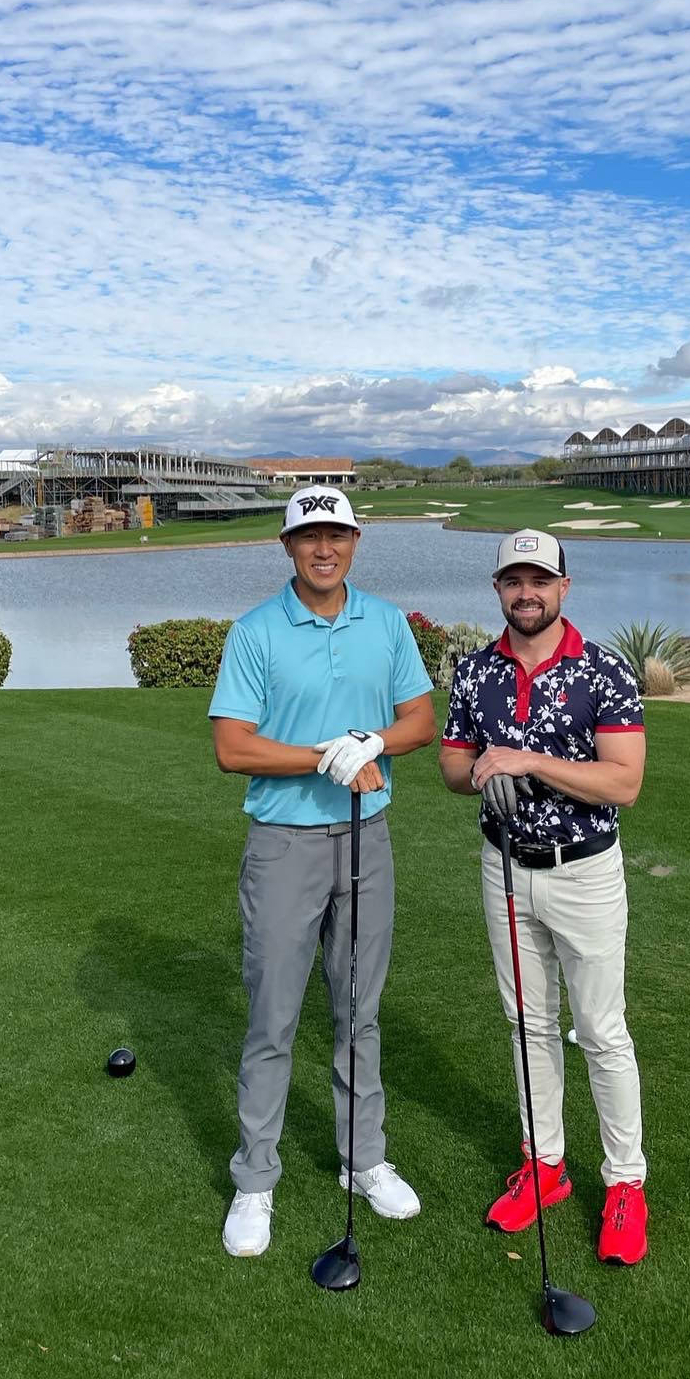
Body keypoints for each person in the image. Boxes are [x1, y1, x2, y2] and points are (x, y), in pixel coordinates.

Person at [209, 485, 436, 1258]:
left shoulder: (388, 622)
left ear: (355, 540)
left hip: (365, 837)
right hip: (284, 844)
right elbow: (233, 747)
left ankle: (362, 1158)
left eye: (336, 534)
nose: (324, 548)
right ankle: (255, 1180)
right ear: (288, 547)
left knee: (359, 1010)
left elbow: (420, 721)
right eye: (309, 537)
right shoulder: (256, 632)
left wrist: (371, 742)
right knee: (274, 1015)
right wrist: (322, 758)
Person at [439, 530, 650, 1265]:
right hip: (504, 866)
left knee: (600, 1031)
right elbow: (453, 763)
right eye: (512, 581)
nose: (525, 593)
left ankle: (625, 1184)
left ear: (565, 585)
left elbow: (623, 782)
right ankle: (545, 1165)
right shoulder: (475, 671)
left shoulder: (605, 670)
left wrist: (529, 760)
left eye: (539, 580)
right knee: (527, 1024)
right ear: (497, 589)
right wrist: (480, 776)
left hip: (584, 870)